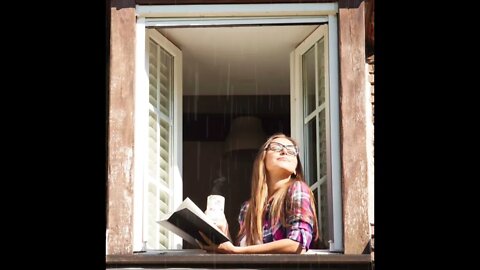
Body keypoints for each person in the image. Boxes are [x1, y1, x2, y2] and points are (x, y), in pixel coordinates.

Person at [198, 133, 319, 254]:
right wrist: (224, 234)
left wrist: (235, 251)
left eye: (292, 150)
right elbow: (243, 253)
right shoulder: (247, 208)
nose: (284, 151)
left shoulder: (298, 188)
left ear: (295, 169)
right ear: (263, 160)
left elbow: (297, 244)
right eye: (276, 147)